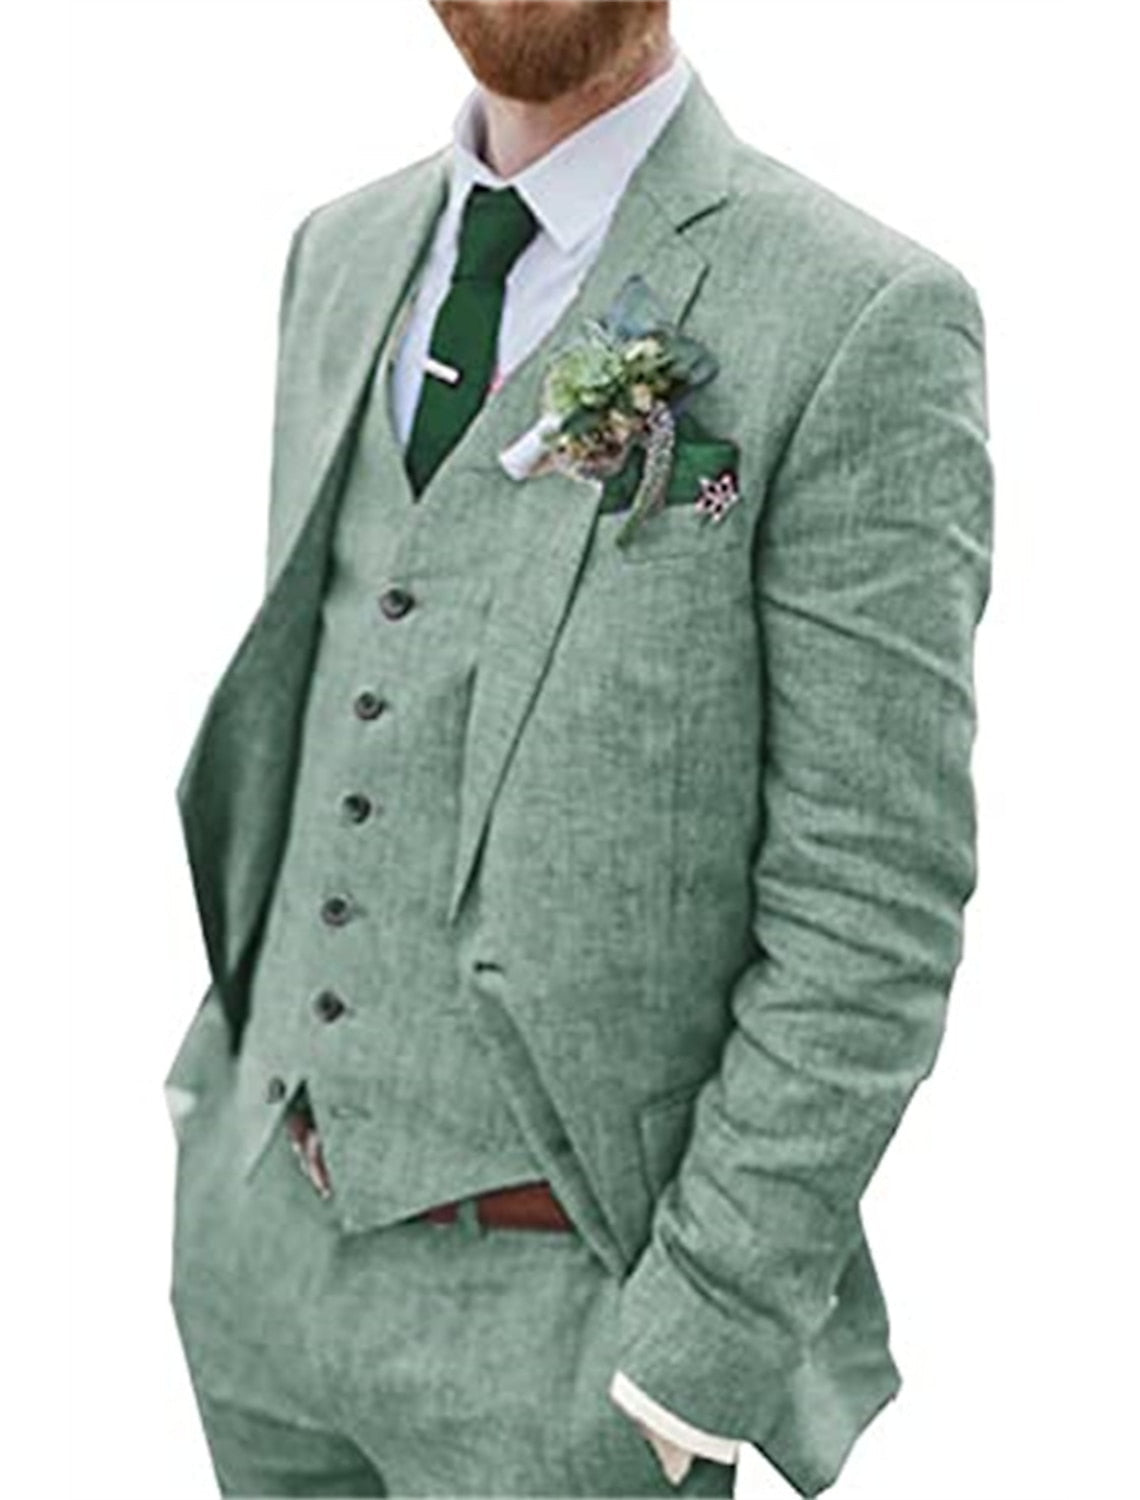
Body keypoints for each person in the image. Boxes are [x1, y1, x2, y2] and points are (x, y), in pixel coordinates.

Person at [165, 2, 994, 1495]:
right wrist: (214, 1183)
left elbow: (874, 896)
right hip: (263, 1286)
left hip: (572, 1346)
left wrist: (700, 1344)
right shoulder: (337, 254)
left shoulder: (860, 312)